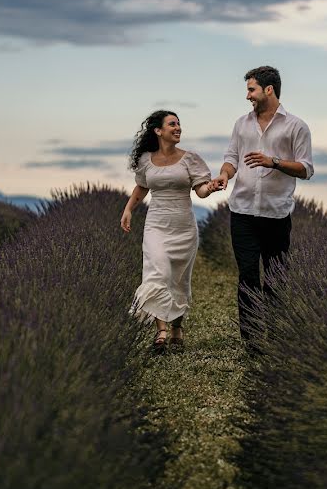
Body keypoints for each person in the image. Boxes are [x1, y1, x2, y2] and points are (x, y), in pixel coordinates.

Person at [210, 66, 314, 349]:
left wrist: (274, 162)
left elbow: (306, 169)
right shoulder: (241, 124)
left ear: (269, 90)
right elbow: (231, 158)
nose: (247, 96)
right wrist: (225, 174)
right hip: (242, 210)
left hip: (276, 213)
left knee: (276, 277)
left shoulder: (296, 126)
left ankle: (277, 337)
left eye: (251, 89)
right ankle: (252, 342)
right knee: (247, 274)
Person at [121, 110, 221, 350]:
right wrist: (128, 210)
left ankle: (176, 327)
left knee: (178, 281)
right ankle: (161, 331)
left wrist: (212, 187)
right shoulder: (146, 160)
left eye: (179, 124)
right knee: (159, 273)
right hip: (156, 226)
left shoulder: (190, 159)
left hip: (184, 227)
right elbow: (141, 188)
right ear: (158, 131)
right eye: (172, 124)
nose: (178, 128)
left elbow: (200, 191)